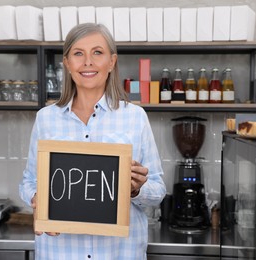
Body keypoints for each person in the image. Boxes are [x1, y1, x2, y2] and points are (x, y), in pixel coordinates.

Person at [19, 23, 166, 260]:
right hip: (60, 252)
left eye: (97, 52)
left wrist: (136, 189)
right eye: (78, 53)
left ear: (112, 62)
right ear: (67, 63)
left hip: (118, 253)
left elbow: (158, 190)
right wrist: (39, 200)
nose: (88, 62)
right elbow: (28, 183)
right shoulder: (45, 119)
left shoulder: (135, 118)